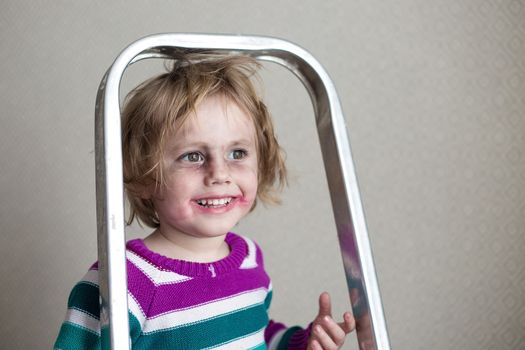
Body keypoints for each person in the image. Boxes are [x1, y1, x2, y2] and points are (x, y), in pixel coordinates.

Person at [55, 53, 355, 349]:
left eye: (237, 153)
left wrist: (302, 342)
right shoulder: (119, 282)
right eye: (193, 156)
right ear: (144, 177)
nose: (219, 174)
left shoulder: (249, 258)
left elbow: (257, 333)